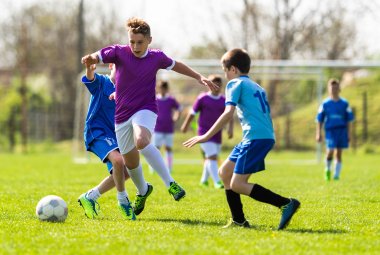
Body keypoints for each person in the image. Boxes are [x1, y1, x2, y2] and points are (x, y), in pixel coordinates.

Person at [81, 17, 219, 215]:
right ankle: (143, 191)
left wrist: (199, 77)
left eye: (140, 42)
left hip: (145, 109)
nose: (135, 46)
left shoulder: (156, 57)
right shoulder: (119, 52)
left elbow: (177, 64)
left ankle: (170, 183)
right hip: (121, 118)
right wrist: (90, 59)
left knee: (141, 140)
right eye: (132, 42)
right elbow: (97, 55)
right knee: (131, 164)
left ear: (149, 40)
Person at [183, 49, 300, 230]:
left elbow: (228, 113)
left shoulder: (234, 84)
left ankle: (285, 203)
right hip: (258, 136)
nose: (225, 75)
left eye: (225, 70)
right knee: (224, 173)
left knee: (237, 184)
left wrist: (206, 135)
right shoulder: (256, 86)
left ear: (233, 69)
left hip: (255, 137)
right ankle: (238, 220)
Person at [78, 63, 136, 220]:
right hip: (97, 132)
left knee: (127, 172)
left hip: (116, 136)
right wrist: (89, 68)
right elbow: (90, 77)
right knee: (118, 160)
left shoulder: (126, 91)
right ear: (111, 66)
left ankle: (90, 197)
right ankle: (123, 200)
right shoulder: (102, 82)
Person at [181, 75, 232, 189]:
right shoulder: (202, 98)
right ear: (208, 84)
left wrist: (230, 129)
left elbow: (229, 116)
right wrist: (185, 125)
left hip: (217, 134)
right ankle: (217, 182)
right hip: (203, 133)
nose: (216, 86)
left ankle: (204, 180)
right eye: (213, 83)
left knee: (211, 158)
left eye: (218, 84)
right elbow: (192, 113)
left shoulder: (224, 100)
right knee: (212, 156)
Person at [316, 78, 354, 181]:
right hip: (330, 131)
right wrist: (318, 133)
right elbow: (319, 119)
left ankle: (336, 175)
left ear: (339, 89)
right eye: (332, 88)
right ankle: (327, 169)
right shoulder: (325, 104)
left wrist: (349, 134)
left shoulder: (345, 103)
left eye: (336, 88)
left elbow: (349, 120)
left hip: (341, 130)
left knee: (339, 153)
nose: (334, 90)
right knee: (330, 151)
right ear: (329, 89)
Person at [152, 81, 182, 173]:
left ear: (167, 89)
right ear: (158, 89)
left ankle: (169, 168)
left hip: (168, 128)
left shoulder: (171, 99)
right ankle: (154, 167)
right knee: (156, 148)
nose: (162, 90)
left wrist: (176, 117)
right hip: (157, 128)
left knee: (168, 148)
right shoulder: (155, 99)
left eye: (164, 88)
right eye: (161, 88)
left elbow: (179, 109)